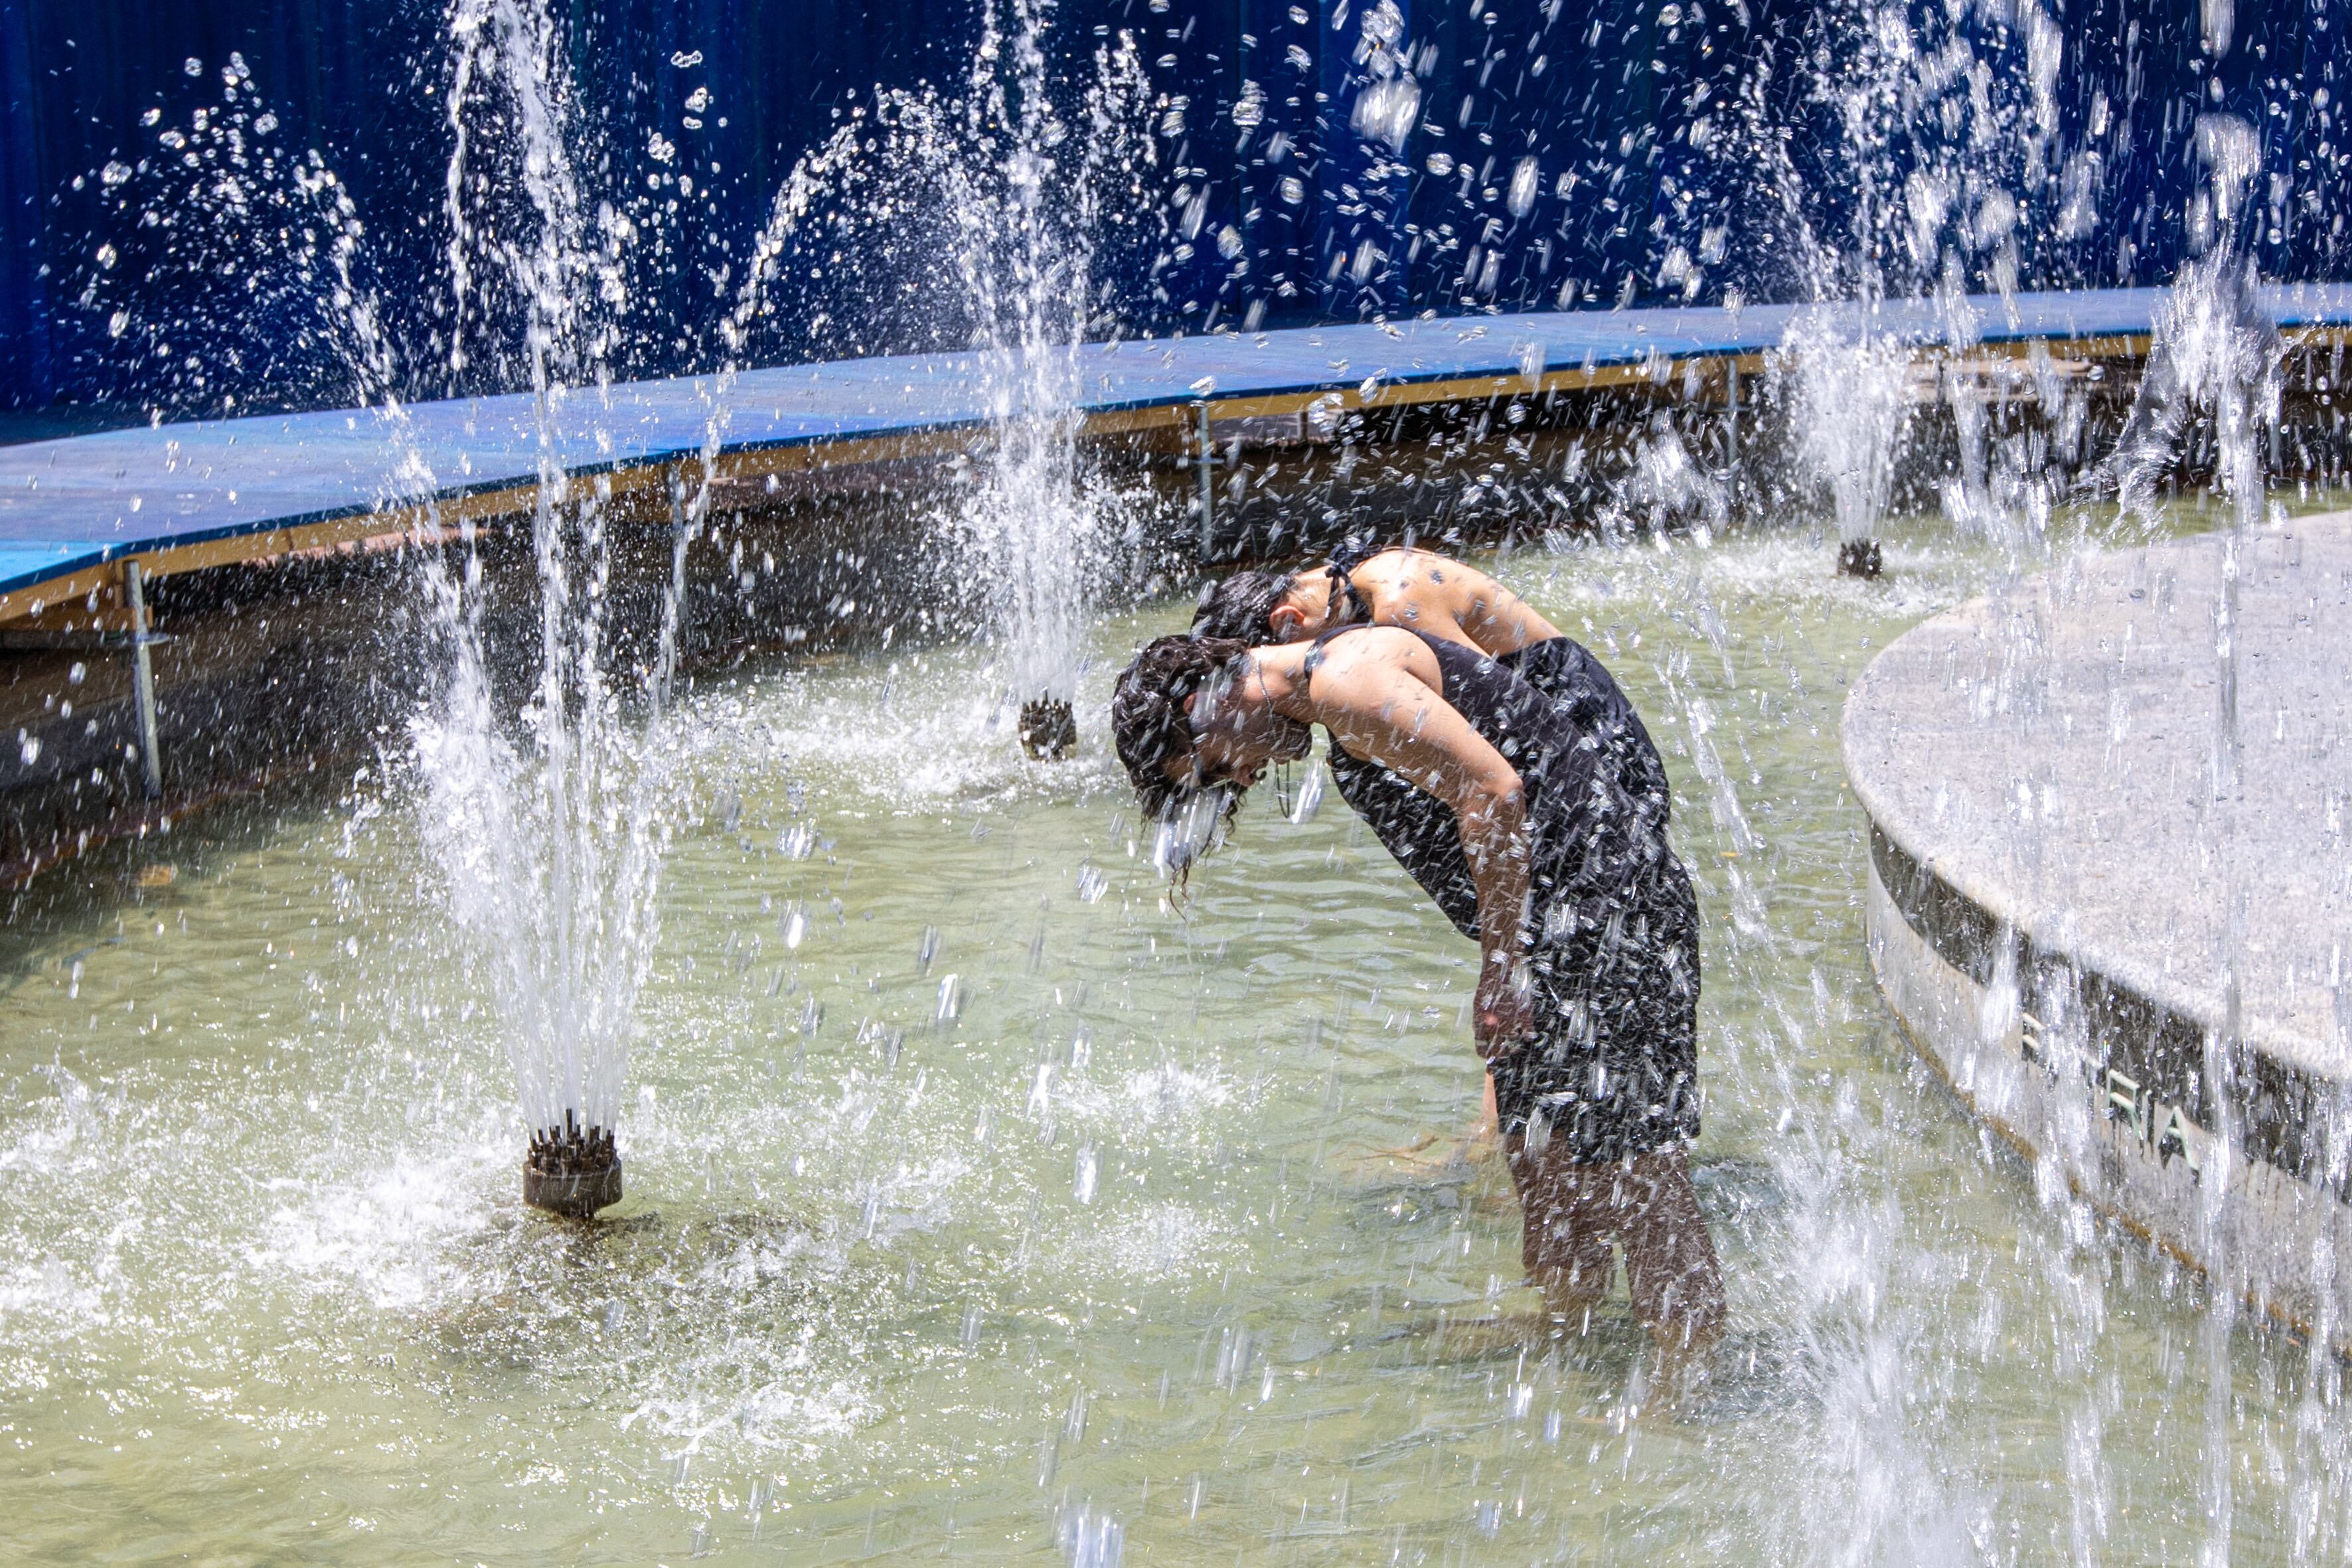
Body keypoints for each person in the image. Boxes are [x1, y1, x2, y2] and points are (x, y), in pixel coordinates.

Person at [1111, 620, 1725, 1363]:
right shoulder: (1333, 692)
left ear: (1198, 706)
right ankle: (1572, 1341)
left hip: (1612, 911)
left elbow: (1495, 791)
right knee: (1547, 1168)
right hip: (1559, 928)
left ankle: (1679, 1387)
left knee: (1640, 1174)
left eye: (1208, 768)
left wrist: (1503, 966)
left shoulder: (1344, 681)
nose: (1236, 780)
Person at [1195, 543, 1672, 1132]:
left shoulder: (1398, 604)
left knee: (1558, 943)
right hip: (1558, 763)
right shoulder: (1360, 596)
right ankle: (1511, 1139)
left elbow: (1508, 723)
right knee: (1530, 941)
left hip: (1595, 751)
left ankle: (1530, 1138)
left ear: (1287, 624)